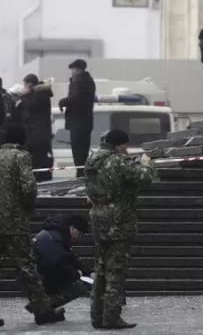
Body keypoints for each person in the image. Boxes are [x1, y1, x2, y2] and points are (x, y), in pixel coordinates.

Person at [0, 123, 62, 328]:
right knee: (26, 266)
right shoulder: (22, 157)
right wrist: (27, 207)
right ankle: (42, 310)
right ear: (21, 140)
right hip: (15, 220)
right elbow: (28, 187)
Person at [85, 129, 158, 329]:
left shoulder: (92, 161)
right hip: (118, 221)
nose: (126, 149)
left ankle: (96, 316)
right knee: (115, 270)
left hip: (98, 219)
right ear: (118, 145)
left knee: (99, 268)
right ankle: (111, 316)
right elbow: (145, 179)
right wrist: (146, 162)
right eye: (125, 145)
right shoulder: (118, 161)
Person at [34, 214, 91, 308]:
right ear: (73, 228)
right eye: (80, 234)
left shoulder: (57, 234)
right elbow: (56, 262)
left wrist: (87, 271)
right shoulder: (56, 238)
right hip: (35, 277)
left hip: (35, 274)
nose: (79, 238)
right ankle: (43, 307)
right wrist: (75, 274)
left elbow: (70, 257)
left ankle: (44, 307)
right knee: (78, 287)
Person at [59, 59, 96, 178]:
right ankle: (82, 174)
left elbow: (76, 98)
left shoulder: (78, 81)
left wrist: (62, 101)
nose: (72, 72)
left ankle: (80, 176)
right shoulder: (89, 81)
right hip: (85, 122)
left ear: (78, 69)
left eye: (73, 69)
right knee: (83, 152)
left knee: (78, 152)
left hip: (77, 122)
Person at [16, 73, 55, 182]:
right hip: (37, 132)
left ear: (30, 84)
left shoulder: (40, 94)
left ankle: (40, 180)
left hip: (38, 133)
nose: (24, 87)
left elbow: (31, 106)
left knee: (38, 159)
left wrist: (24, 95)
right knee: (37, 158)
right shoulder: (38, 94)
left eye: (25, 84)